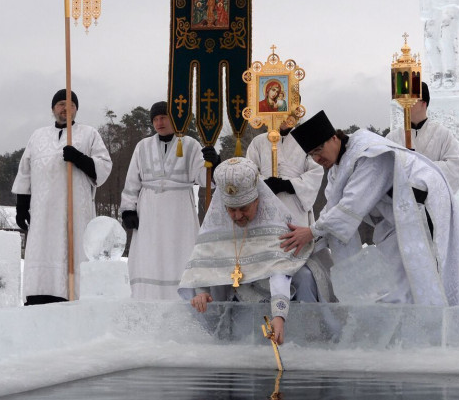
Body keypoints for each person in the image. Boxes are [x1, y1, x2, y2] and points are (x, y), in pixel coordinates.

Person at [283, 111, 459, 306]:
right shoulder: (337, 168)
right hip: (395, 219)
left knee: (420, 275)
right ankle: (409, 324)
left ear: (334, 138)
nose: (317, 159)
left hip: (422, 212)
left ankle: (436, 322)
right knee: (394, 281)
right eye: (311, 155)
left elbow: (350, 206)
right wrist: (311, 238)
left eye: (318, 150)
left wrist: (311, 232)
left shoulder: (367, 154)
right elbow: (331, 207)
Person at [178, 158, 333, 345]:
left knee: (306, 276)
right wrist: (201, 292)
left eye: (244, 208)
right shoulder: (217, 225)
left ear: (257, 200)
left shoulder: (274, 224)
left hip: (272, 291)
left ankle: (309, 339)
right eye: (231, 210)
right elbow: (203, 263)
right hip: (236, 294)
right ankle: (222, 340)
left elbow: (280, 272)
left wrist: (279, 316)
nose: (238, 216)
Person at [12, 89, 112, 305]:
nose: (66, 109)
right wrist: (21, 206)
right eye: (61, 104)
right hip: (43, 214)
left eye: (71, 105)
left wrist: (79, 158)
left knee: (73, 252)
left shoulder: (89, 134)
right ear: (52, 109)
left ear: (77, 109)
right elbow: (25, 172)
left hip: (74, 212)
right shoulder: (37, 136)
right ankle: (39, 295)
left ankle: (71, 297)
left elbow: (104, 166)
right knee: (41, 253)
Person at [119, 101, 220, 300]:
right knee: (149, 256)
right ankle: (146, 300)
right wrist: (128, 209)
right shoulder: (142, 146)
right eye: (155, 119)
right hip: (149, 213)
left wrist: (214, 163)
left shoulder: (190, 144)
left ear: (174, 119)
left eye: (163, 117)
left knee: (179, 254)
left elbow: (205, 180)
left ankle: (182, 299)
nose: (159, 122)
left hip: (179, 213)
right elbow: (132, 182)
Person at [245, 114, 333, 302]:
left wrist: (288, 185)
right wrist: (263, 184)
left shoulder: (304, 140)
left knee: (303, 272)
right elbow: (248, 173)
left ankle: (307, 311)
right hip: (265, 212)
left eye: (286, 114)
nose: (282, 118)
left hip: (295, 211)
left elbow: (316, 171)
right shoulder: (258, 142)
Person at [386, 82, 459, 216]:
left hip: (434, 210)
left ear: (424, 103)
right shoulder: (393, 137)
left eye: (411, 100)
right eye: (403, 100)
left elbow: (454, 167)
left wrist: (419, 169)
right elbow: (384, 170)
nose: (405, 104)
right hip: (402, 210)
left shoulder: (443, 134)